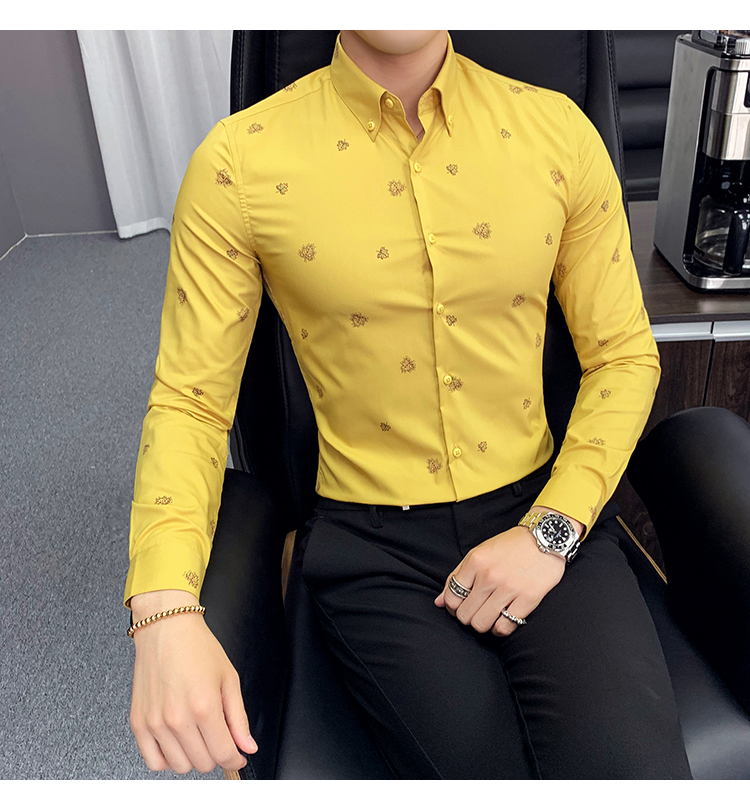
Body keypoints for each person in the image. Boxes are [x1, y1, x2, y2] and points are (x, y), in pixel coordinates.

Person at [125, 30, 693, 779]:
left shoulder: (558, 130)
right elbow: (191, 402)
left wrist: (549, 535)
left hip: (545, 513)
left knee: (632, 772)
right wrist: (161, 613)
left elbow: (623, 355)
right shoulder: (238, 161)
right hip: (373, 544)